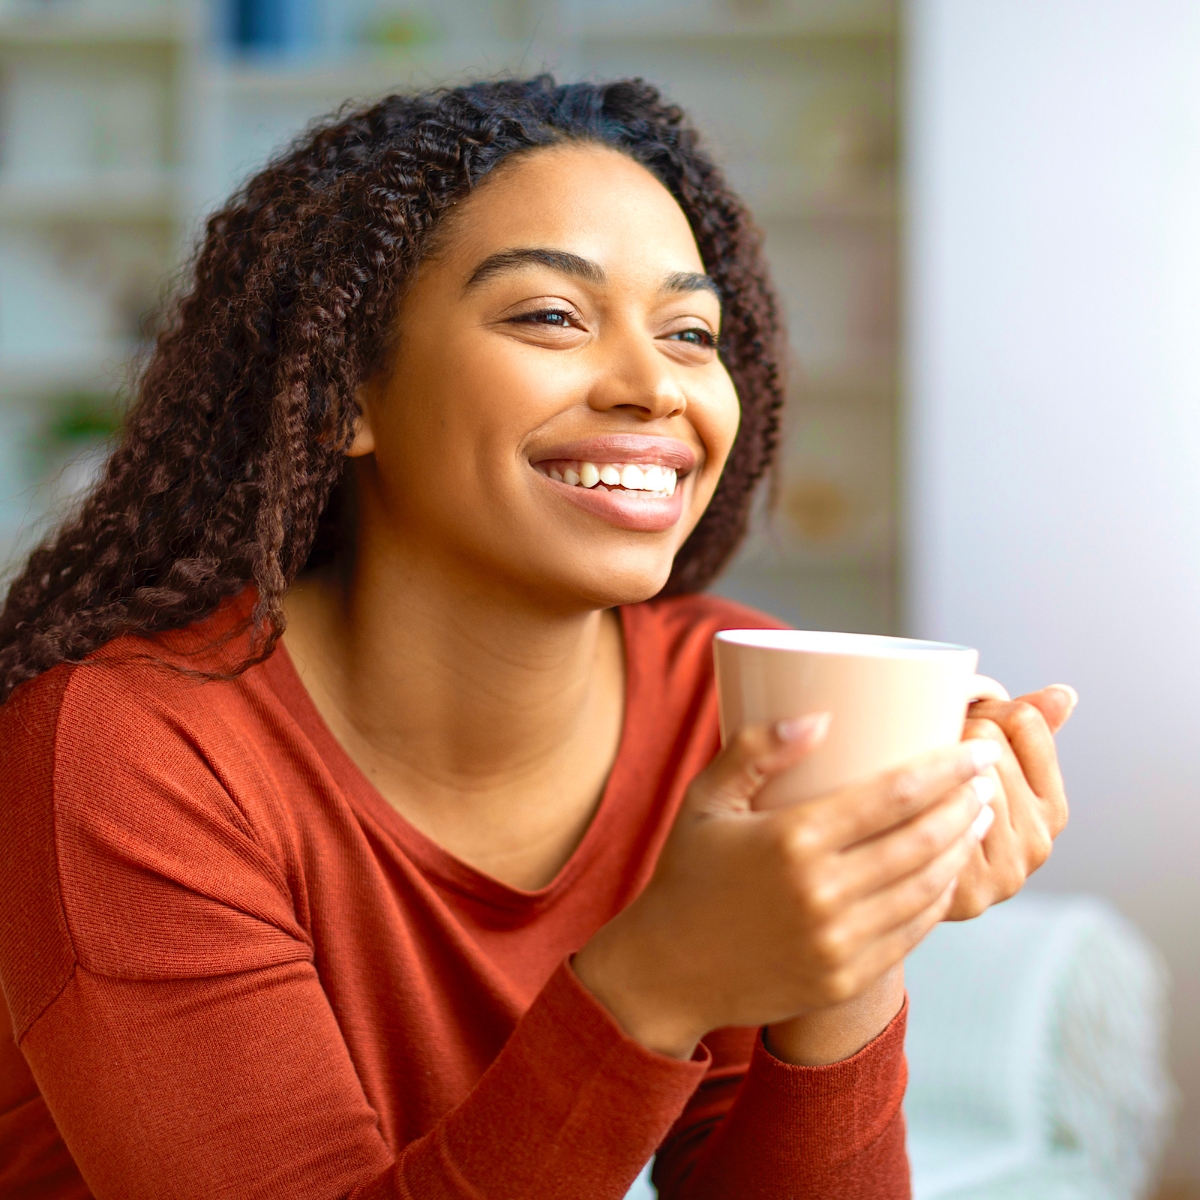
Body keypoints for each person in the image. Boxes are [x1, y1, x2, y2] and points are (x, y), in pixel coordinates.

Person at [0, 77, 1073, 1199]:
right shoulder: (125, 748)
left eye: (691, 333)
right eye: (552, 316)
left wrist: (855, 943)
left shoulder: (729, 693)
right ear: (342, 392)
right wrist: (655, 984)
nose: (655, 386)